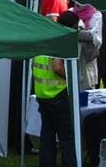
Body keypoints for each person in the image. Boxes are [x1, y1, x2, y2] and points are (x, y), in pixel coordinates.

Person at [33, 17, 78, 167]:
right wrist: (72, 76)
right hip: (58, 95)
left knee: (47, 136)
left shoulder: (41, 41)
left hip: (42, 95)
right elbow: (58, 67)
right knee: (66, 138)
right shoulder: (59, 40)